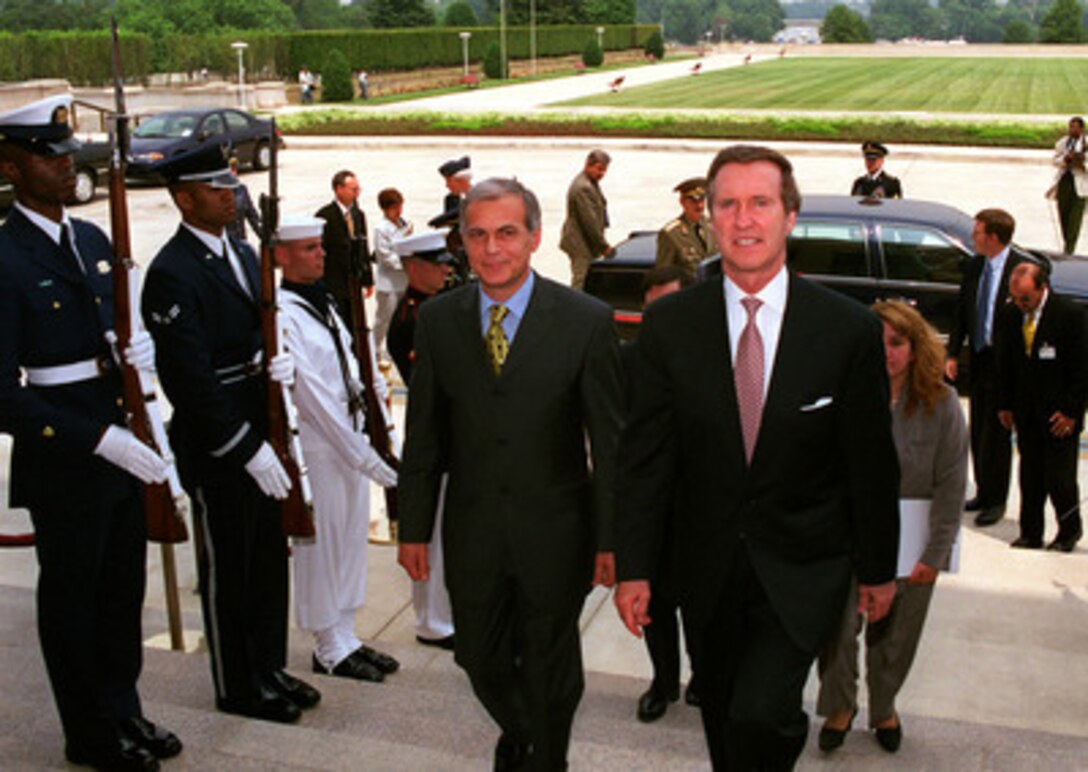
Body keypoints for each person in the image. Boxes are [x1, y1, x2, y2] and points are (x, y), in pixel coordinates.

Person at [614, 145, 900, 771]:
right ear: (709, 218)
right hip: (705, 567)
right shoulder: (670, 328)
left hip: (803, 565)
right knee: (719, 707)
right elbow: (645, 461)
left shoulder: (845, 331)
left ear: (790, 216)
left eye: (760, 203)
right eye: (728, 204)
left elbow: (870, 463)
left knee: (761, 712)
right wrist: (634, 566)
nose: (744, 220)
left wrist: (879, 569)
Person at [397, 178, 623, 770]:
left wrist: (611, 540)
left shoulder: (585, 320)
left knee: (550, 660)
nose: (491, 248)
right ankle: (525, 734)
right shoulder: (440, 321)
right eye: (477, 235)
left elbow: (611, 442)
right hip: (472, 531)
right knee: (478, 655)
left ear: (535, 238)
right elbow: (423, 436)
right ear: (462, 243)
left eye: (506, 233)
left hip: (557, 531)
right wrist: (413, 527)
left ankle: (545, 759)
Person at [0, 94, 181, 772]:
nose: (64, 165)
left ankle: (124, 710)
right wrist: (94, 439)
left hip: (121, 443)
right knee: (73, 603)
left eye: (66, 152)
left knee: (119, 593)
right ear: (12, 167)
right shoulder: (5, 255)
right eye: (48, 157)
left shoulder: (93, 240)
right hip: (67, 456)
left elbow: (115, 339)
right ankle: (89, 731)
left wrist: (138, 364)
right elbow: (2, 393)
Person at [141, 143, 321, 725]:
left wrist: (274, 364)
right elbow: (188, 378)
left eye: (229, 184)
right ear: (182, 198)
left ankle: (267, 666)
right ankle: (236, 683)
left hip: (260, 420)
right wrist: (244, 447)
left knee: (267, 560)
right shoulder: (172, 272)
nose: (230, 193)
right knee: (229, 569)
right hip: (218, 441)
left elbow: (256, 330)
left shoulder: (242, 252)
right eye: (214, 187)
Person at [817, 300, 968, 755]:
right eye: (877, 342)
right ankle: (839, 707)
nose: (887, 353)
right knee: (838, 634)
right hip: (846, 537)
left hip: (913, 543)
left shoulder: (940, 404)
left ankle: (884, 708)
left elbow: (952, 484)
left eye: (897, 343)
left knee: (897, 635)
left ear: (915, 346)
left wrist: (935, 555)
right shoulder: (842, 395)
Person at [274, 214, 402, 679]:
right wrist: (366, 457)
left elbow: (353, 373)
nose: (320, 254)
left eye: (320, 246)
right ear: (281, 256)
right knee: (322, 546)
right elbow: (313, 396)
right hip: (320, 446)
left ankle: (347, 635)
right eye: (308, 248)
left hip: (348, 440)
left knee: (350, 541)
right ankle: (327, 645)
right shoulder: (282, 314)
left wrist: (373, 435)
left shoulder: (324, 302)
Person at [623, 265, 700, 724]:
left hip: (705, 509)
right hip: (651, 509)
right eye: (652, 311)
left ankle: (705, 679)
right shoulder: (629, 362)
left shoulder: (722, 355)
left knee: (703, 605)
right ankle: (664, 681)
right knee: (656, 602)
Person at [388, 230, 457, 650]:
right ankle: (432, 621)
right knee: (431, 535)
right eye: (438, 263)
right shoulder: (414, 318)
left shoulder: (432, 308)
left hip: (449, 434)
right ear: (414, 267)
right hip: (435, 437)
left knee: (448, 533)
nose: (447, 269)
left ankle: (444, 614)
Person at [945, 208, 1028, 527]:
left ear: (993, 237)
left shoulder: (1020, 269)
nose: (973, 238)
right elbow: (962, 312)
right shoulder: (976, 266)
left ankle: (996, 499)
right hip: (979, 357)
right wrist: (953, 352)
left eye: (977, 232)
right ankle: (982, 490)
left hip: (1005, 363)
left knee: (998, 431)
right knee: (978, 429)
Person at [998, 261, 1086, 551]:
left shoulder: (1070, 315)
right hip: (1026, 409)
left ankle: (1069, 530)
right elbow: (1006, 364)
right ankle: (1030, 532)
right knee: (1030, 474)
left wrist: (1072, 411)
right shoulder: (1012, 315)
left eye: (1027, 298)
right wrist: (1005, 404)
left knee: (1060, 478)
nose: (1021, 304)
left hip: (1060, 412)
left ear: (1042, 288)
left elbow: (1081, 370)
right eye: (1016, 298)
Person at [314, 169, 367, 321]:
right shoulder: (325, 216)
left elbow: (363, 245)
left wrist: (367, 278)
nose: (357, 193)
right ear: (339, 189)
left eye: (358, 189)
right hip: (334, 281)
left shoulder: (358, 215)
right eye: (353, 189)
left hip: (353, 281)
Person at [560, 148, 614, 290]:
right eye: (599, 169)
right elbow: (590, 222)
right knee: (581, 281)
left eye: (605, 170)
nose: (602, 174)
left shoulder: (590, 183)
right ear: (588, 165)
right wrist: (603, 246)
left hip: (585, 240)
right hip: (579, 242)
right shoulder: (583, 187)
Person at [371, 188, 411, 363]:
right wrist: (405, 263)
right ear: (385, 209)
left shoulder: (405, 224)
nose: (399, 211)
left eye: (400, 207)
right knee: (384, 319)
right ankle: (374, 349)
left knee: (403, 318)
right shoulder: (381, 229)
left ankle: (398, 348)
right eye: (395, 208)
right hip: (388, 281)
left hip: (404, 280)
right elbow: (384, 256)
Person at [655, 177, 717, 277]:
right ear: (682, 202)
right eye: (693, 201)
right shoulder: (671, 234)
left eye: (702, 199)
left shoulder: (714, 226)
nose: (699, 206)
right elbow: (663, 275)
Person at [1048, 117, 1088, 254]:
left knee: (1074, 221)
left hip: (1080, 186)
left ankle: (1069, 250)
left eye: (1076, 127)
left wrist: (1082, 163)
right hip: (1064, 182)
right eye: (1071, 127)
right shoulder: (1062, 143)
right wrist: (1066, 159)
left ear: (1082, 129)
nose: (1073, 130)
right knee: (1063, 216)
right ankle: (1067, 243)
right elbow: (1055, 161)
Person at [225, 156, 260, 243]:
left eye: (234, 169)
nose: (233, 173)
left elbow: (252, 216)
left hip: (240, 242)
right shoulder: (216, 193)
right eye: (230, 169)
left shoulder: (241, 189)